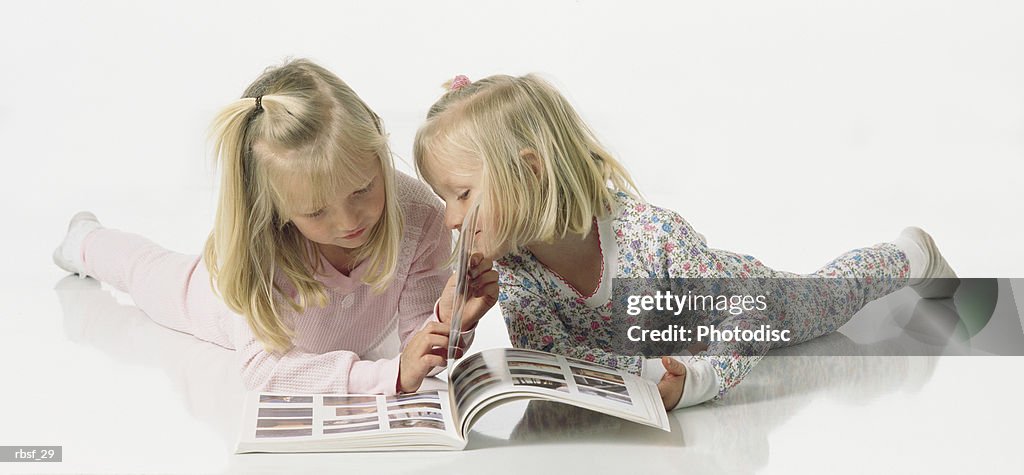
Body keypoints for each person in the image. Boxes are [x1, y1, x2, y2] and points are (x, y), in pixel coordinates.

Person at [412, 73, 957, 410]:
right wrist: (459, 318)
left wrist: (699, 380)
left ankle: (910, 254)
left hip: (741, 297)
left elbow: (749, 312)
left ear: (530, 173)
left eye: (462, 195)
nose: (451, 219)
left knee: (832, 295)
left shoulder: (651, 236)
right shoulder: (515, 272)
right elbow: (550, 357)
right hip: (663, 350)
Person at [52, 60, 498, 395]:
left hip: (350, 336)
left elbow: (419, 350)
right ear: (277, 209)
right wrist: (385, 375)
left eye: (362, 189)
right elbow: (263, 369)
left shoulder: (419, 213)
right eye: (316, 212)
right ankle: (84, 240)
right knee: (146, 271)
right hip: (218, 301)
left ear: (379, 150)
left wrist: (449, 317)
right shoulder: (257, 246)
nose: (349, 223)